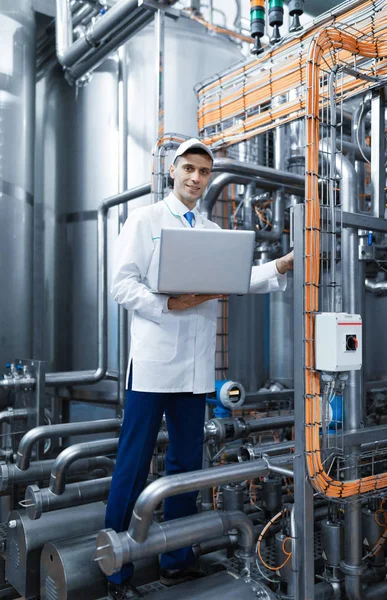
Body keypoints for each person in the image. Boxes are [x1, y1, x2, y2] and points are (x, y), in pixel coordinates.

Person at [105, 138, 294, 599]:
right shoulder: (145, 220)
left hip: (194, 373)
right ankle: (115, 571)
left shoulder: (212, 229)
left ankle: (177, 559)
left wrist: (283, 265)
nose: (195, 177)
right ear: (173, 172)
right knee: (132, 467)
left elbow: (236, 280)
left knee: (187, 466)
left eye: (203, 172)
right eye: (188, 168)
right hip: (152, 368)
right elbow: (121, 285)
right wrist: (169, 304)